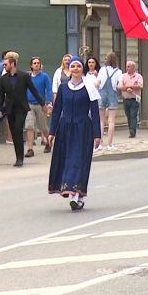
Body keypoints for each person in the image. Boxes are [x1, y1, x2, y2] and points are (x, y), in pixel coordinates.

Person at [47, 58, 101, 211]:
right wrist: (52, 132)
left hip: (83, 128)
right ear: (69, 69)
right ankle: (78, 195)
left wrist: (97, 134)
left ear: (82, 69)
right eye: (73, 66)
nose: (76, 69)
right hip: (65, 129)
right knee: (66, 160)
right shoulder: (64, 87)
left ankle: (75, 195)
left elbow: (95, 113)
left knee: (78, 160)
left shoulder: (89, 87)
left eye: (78, 66)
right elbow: (57, 111)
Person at [0, 56, 48, 167]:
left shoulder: (24, 76)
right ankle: (18, 156)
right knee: (14, 134)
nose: (4, 66)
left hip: (21, 108)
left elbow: (34, 90)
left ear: (13, 64)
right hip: (10, 109)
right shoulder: (3, 79)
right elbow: (0, 96)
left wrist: (43, 104)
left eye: (6, 64)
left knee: (18, 129)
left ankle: (20, 158)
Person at [24, 56, 53, 158]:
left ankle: (49, 142)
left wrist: (49, 103)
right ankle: (30, 149)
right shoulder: (27, 77)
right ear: (31, 65)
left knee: (43, 126)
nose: (37, 64)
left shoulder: (44, 76)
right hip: (29, 105)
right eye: (35, 63)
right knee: (29, 126)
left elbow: (49, 89)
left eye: (38, 63)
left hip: (40, 105)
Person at [97, 52, 122, 151]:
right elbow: (119, 84)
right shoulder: (119, 72)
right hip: (112, 94)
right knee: (111, 121)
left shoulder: (102, 70)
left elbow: (98, 83)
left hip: (102, 94)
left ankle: (99, 144)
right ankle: (110, 144)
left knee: (101, 120)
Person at [118, 60, 143, 138]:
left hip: (135, 98)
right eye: (126, 66)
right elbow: (119, 86)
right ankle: (130, 129)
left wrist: (130, 87)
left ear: (133, 67)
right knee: (128, 115)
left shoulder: (138, 76)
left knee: (133, 115)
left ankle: (133, 131)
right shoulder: (123, 76)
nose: (127, 68)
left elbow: (140, 86)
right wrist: (126, 88)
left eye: (129, 66)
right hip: (126, 99)